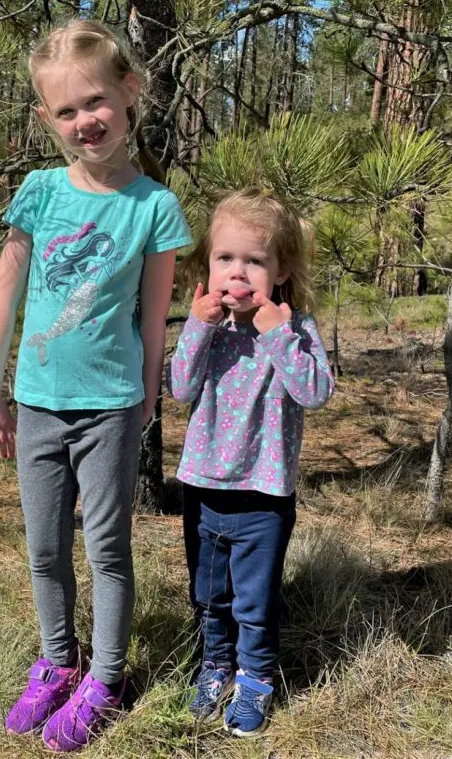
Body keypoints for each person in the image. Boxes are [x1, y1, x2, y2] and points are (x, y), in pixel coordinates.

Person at [0, 19, 191, 753]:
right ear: (46, 120)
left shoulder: (154, 208)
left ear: (129, 94)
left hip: (110, 407)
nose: (83, 122)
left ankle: (107, 678)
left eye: (94, 102)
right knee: (44, 548)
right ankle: (58, 660)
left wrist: (146, 398)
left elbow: (154, 318)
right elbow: (5, 298)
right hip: (38, 401)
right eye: (65, 111)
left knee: (106, 548)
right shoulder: (37, 194)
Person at [167, 188, 334, 736]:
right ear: (207, 263)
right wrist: (197, 325)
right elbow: (181, 386)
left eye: (254, 261)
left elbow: (314, 392)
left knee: (254, 600)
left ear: (279, 269)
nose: (237, 273)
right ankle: (215, 666)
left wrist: (278, 335)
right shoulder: (210, 328)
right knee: (210, 593)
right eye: (225, 258)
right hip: (205, 486)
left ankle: (257, 678)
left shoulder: (295, 328)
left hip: (264, 495)